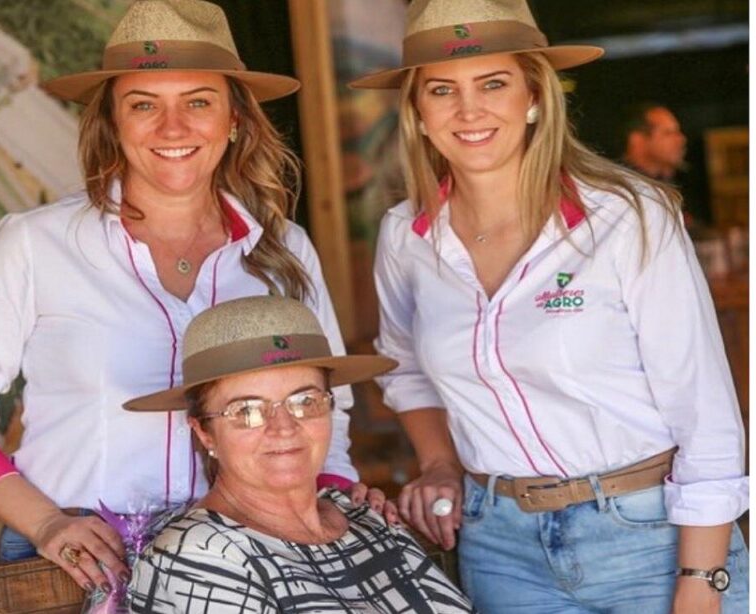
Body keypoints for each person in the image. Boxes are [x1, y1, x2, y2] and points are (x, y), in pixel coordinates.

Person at [0, 0, 382, 593]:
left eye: (198, 103)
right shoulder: (34, 245)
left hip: (253, 557)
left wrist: (334, 499)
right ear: (113, 121)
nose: (173, 129)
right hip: (79, 557)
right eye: (144, 105)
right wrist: (46, 522)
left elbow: (325, 406)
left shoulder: (285, 250)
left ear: (234, 118)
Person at [351, 0, 749, 612]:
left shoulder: (628, 217)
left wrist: (701, 581)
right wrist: (437, 462)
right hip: (501, 548)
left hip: (652, 537)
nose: (469, 110)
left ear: (534, 96)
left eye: (493, 83)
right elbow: (404, 367)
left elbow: (706, 416)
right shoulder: (407, 237)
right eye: (441, 90)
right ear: (418, 112)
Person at [124, 296, 473, 613]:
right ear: (204, 431)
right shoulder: (199, 558)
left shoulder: (363, 518)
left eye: (305, 402)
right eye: (247, 411)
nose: (284, 427)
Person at [621, 102, 710, 229]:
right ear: (637, 140)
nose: (681, 139)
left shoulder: (684, 183)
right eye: (668, 133)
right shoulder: (623, 190)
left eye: (678, 132)